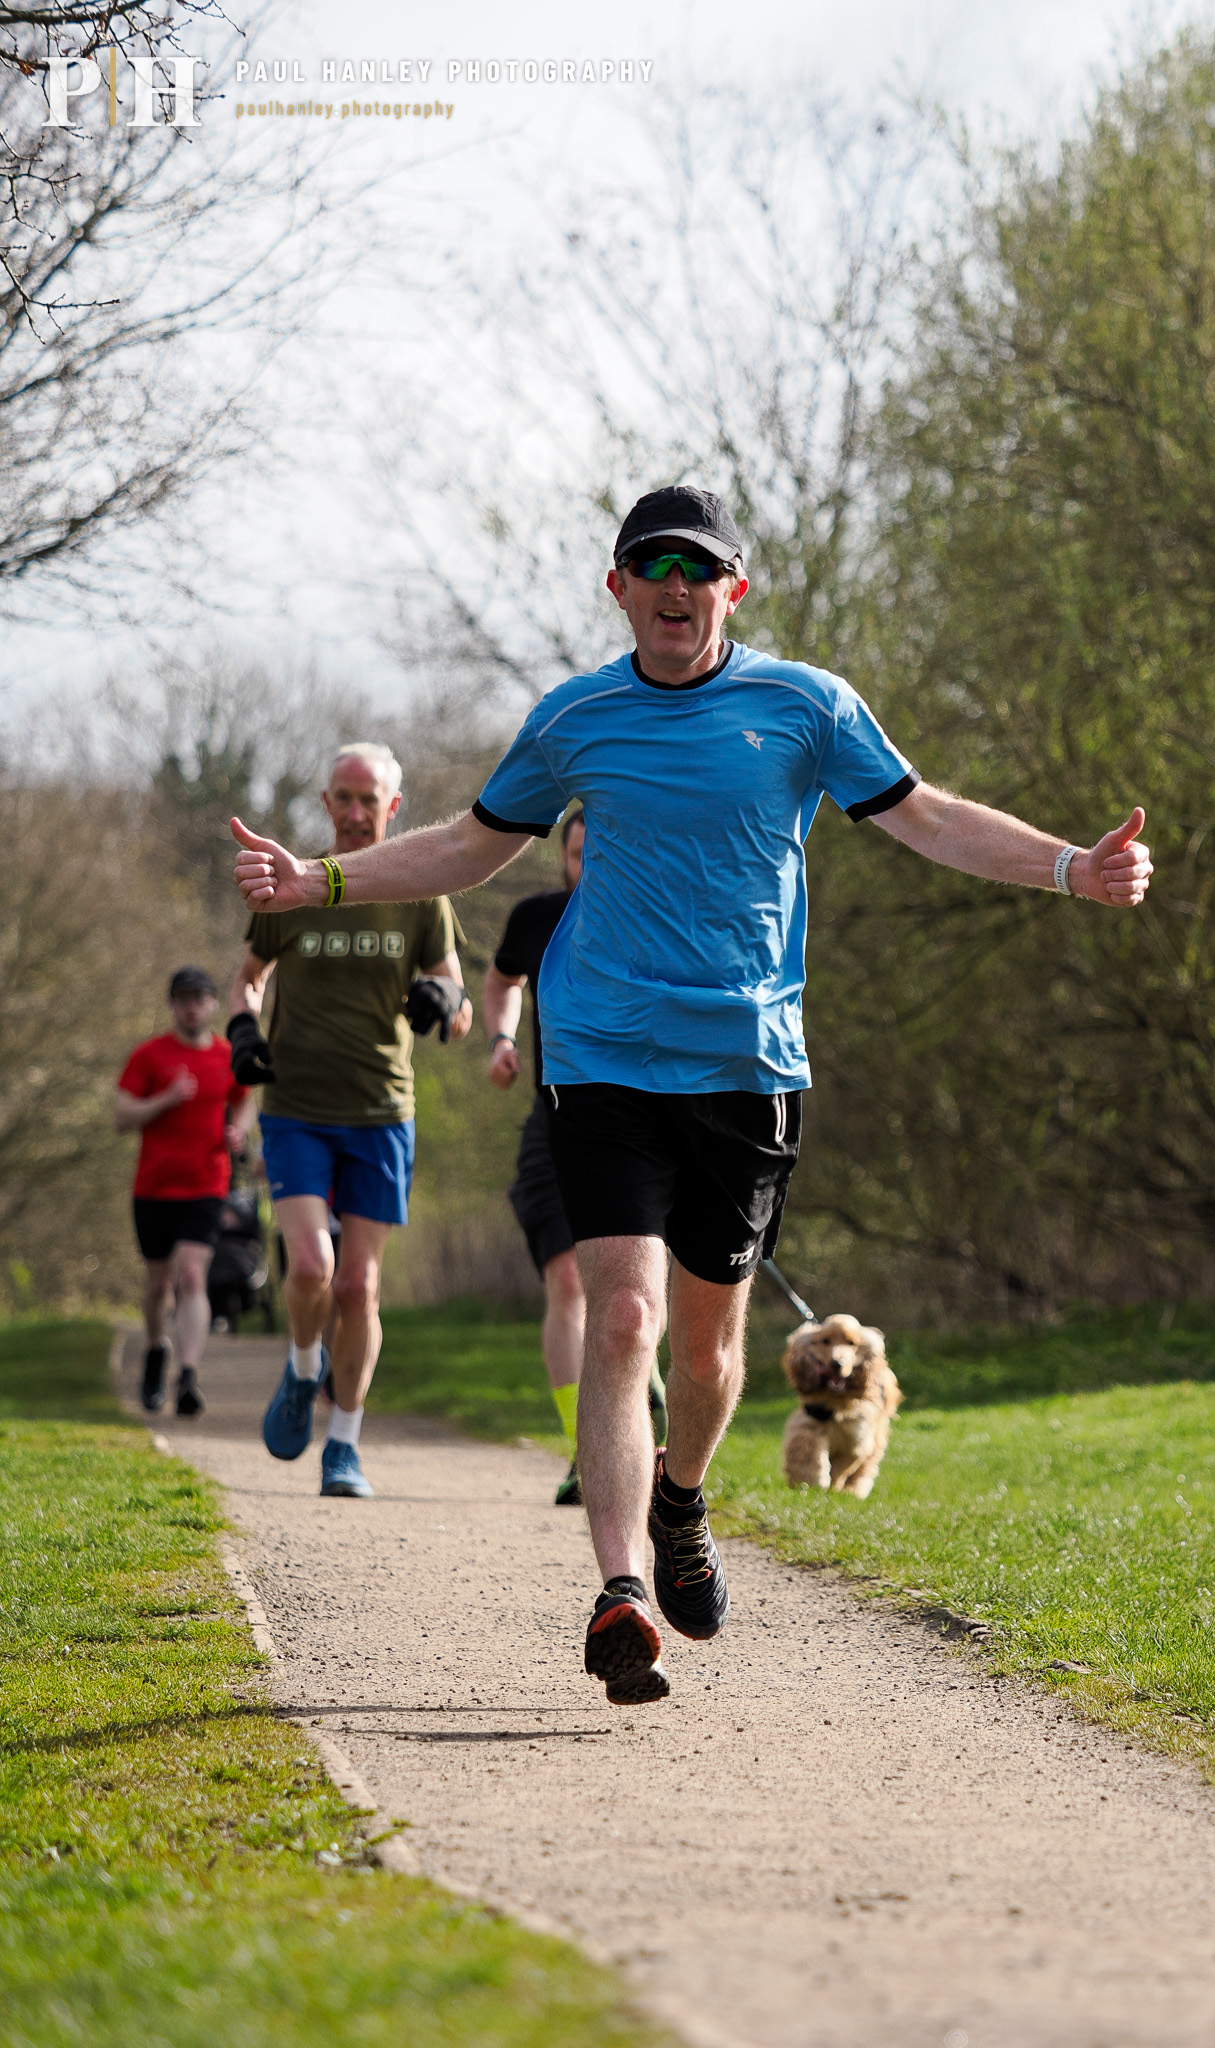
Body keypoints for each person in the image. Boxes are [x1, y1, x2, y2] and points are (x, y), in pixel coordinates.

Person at [230, 484, 1154, 1703]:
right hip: (605, 1055)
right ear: (617, 588)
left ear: (735, 587)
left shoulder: (805, 706)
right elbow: (466, 844)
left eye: (698, 567)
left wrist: (1068, 867)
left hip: (750, 1067)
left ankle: (680, 1499)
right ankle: (618, 1588)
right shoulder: (575, 721)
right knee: (625, 1317)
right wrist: (323, 883)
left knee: (713, 1351)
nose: (675, 585)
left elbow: (924, 818)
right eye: (650, 565)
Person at [226, 742, 474, 1500]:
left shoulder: (422, 894)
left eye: (371, 800)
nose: (357, 812)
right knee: (311, 1268)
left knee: (360, 1289)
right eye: (344, 797)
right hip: (297, 1107)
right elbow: (247, 982)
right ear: (326, 802)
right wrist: (243, 1029)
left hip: (381, 1112)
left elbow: (457, 1000)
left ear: (394, 806)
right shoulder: (292, 886)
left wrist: (446, 1005)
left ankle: (344, 1445)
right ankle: (304, 1371)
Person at [483, 807, 665, 1506]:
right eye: (580, 855)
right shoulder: (536, 919)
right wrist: (502, 1040)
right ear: (564, 857)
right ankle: (583, 1452)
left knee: (632, 1297)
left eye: (603, 855)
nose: (590, 869)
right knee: (567, 1284)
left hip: (649, 1126)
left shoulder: (657, 919)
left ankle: (641, 1414)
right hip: (556, 1119)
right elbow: (502, 982)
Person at [116, 965, 256, 1416]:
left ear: (213, 1004)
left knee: (192, 1275)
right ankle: (157, 1351)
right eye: (184, 998)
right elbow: (121, 1117)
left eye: (200, 998)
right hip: (154, 1187)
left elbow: (245, 1101)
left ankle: (189, 1375)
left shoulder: (227, 1055)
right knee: (159, 1284)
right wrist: (167, 1098)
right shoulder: (150, 1056)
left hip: (207, 1185)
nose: (192, 1006)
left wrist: (239, 1132)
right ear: (173, 1005)